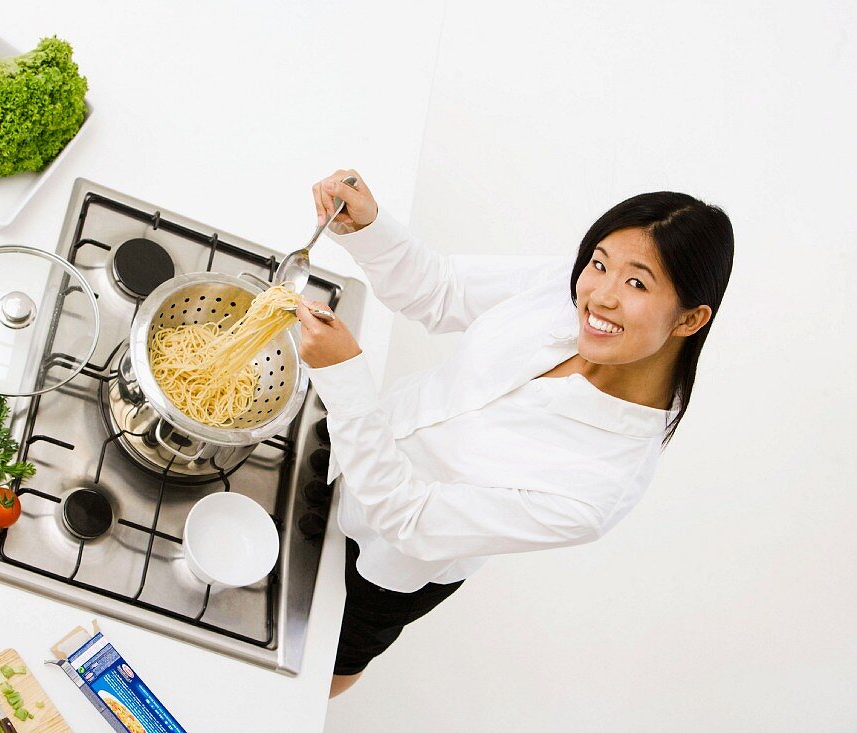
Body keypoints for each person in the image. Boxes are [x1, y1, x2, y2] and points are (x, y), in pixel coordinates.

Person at [294, 169, 735, 699]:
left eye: (637, 282)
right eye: (599, 262)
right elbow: (442, 290)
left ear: (690, 320)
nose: (601, 296)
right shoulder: (572, 289)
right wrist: (370, 227)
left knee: (306, 680)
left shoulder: (597, 490)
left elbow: (408, 521)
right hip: (346, 442)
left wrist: (344, 377)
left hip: (380, 563)